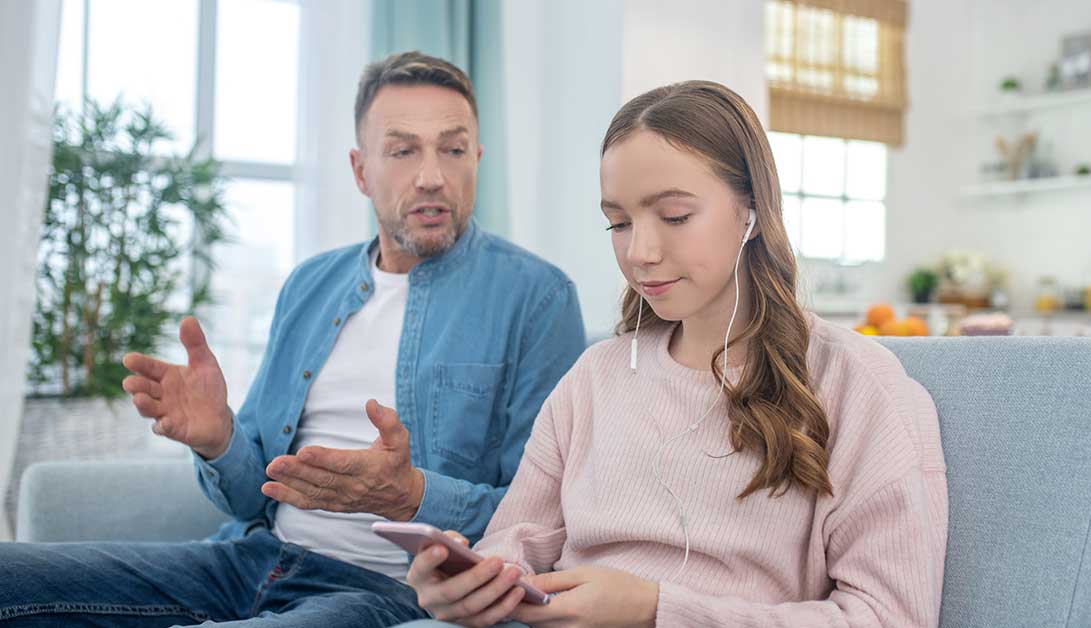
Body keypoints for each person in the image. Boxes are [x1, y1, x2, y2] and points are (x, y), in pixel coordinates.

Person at [0, 51, 585, 628]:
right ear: (361, 171)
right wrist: (219, 438)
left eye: (453, 150)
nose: (432, 174)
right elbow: (251, 496)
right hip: (255, 558)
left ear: (476, 159)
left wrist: (412, 495)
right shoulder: (311, 285)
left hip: (384, 590)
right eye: (403, 150)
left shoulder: (537, 298)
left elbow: (540, 514)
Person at [398, 81, 948, 628]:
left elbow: (889, 616)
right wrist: (470, 585)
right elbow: (516, 543)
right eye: (618, 222)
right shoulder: (594, 377)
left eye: (676, 216)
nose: (640, 252)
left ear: (751, 212)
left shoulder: (854, 385)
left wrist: (655, 610)